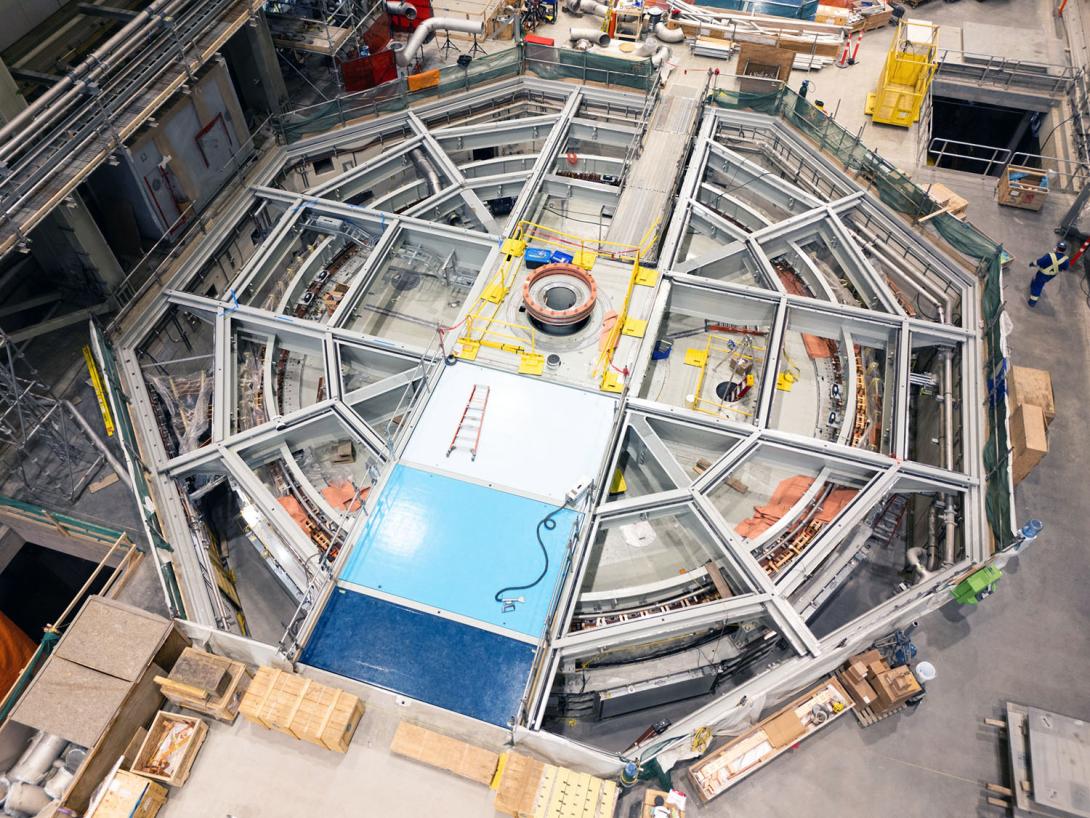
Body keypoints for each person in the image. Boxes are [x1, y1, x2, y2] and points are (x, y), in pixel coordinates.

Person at [1027, 241, 1070, 307]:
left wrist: (1031, 264)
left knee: (1038, 286)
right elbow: (1065, 268)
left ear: (1057, 248)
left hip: (1042, 274)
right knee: (1039, 281)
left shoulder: (1049, 256)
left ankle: (1032, 302)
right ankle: (1033, 285)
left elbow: (1039, 262)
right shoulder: (1066, 259)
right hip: (1051, 275)